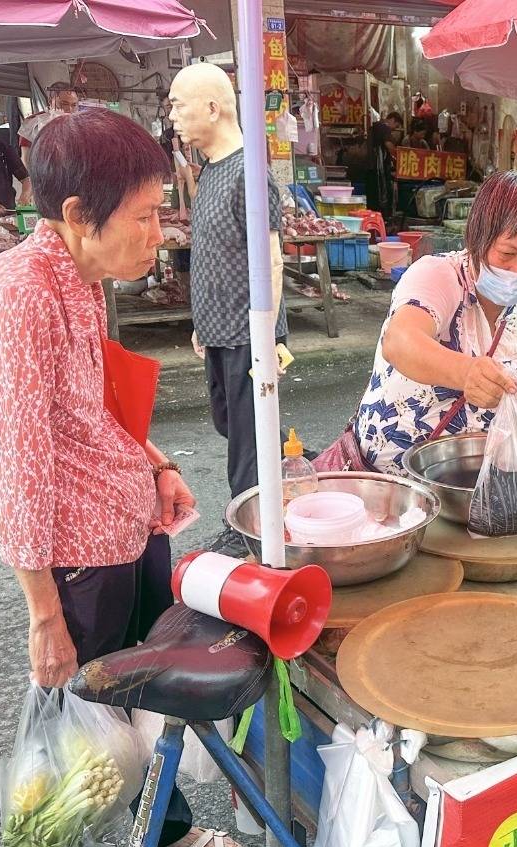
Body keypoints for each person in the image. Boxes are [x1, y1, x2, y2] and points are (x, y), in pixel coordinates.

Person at [0, 108, 245, 847]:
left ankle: (168, 828)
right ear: (79, 215)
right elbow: (15, 468)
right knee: (84, 742)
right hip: (80, 566)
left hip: (126, 528)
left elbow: (90, 405)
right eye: (145, 216)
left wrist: (155, 464)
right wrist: (46, 616)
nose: (159, 233)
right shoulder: (20, 300)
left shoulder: (76, 277)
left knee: (146, 697)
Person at [355, 171, 517, 473]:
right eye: (507, 253)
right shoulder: (438, 275)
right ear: (479, 238)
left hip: (481, 484)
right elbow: (399, 342)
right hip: (394, 481)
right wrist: (467, 373)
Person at [169, 62, 288, 554]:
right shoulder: (212, 171)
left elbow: (273, 259)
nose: (172, 114)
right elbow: (217, 252)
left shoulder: (250, 172)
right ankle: (293, 477)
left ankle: (250, 530)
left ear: (213, 108)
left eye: (178, 103)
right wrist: (202, 321)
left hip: (246, 332)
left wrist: (267, 339)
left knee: (247, 441)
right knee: (231, 424)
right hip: (218, 329)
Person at [18, 82, 80, 166]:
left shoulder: (80, 122)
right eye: (64, 104)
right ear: (50, 101)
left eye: (74, 105)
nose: (69, 109)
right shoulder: (33, 123)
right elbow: (26, 158)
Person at [367, 111, 402, 219]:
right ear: (392, 120)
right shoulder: (384, 128)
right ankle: (380, 219)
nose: (394, 130)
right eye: (395, 126)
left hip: (370, 167)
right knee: (380, 195)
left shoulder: (375, 126)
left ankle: (373, 218)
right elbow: (390, 147)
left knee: (372, 196)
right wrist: (400, 162)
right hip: (377, 168)